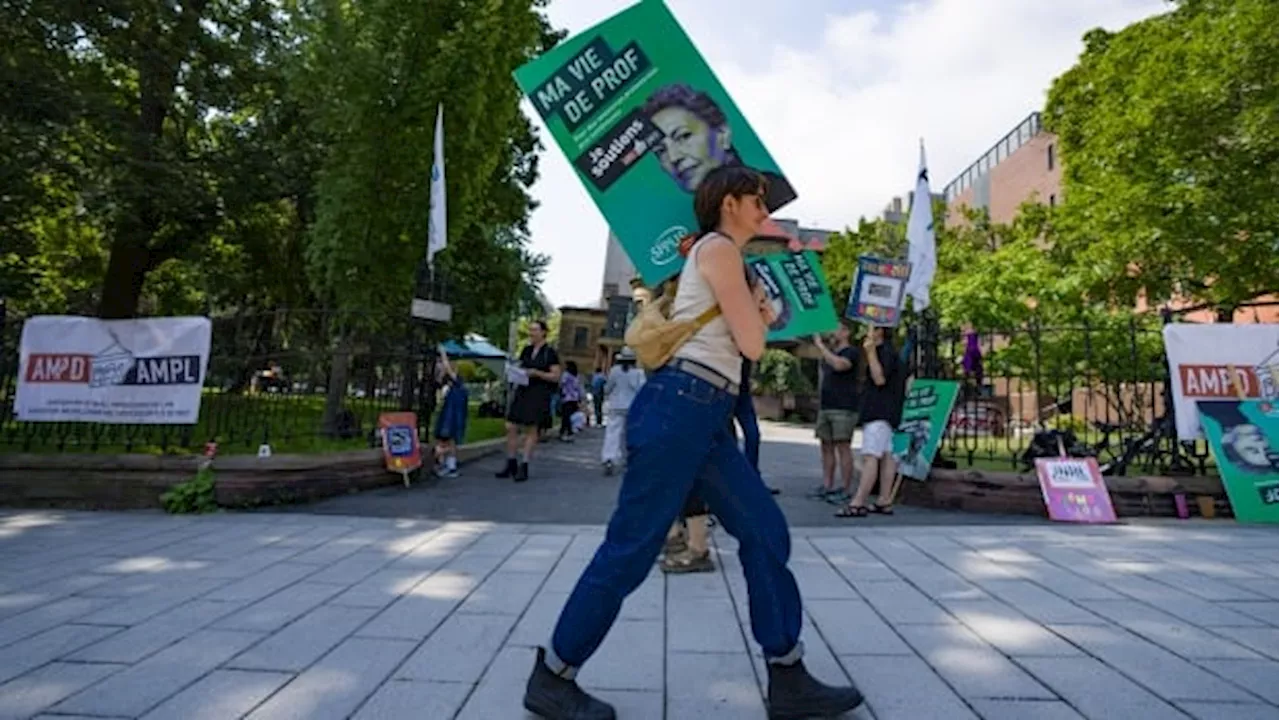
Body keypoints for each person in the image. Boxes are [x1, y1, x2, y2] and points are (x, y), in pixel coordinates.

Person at [522, 166, 863, 720]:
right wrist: (762, 311)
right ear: (730, 202)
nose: (765, 210)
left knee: (764, 531)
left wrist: (758, 307)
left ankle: (788, 673)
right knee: (632, 549)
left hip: (704, 414)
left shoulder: (722, 257)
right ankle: (554, 675)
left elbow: (745, 337)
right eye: (757, 199)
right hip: (682, 405)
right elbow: (753, 345)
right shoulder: (720, 250)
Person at [641, 83, 796, 211]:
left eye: (684, 136)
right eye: (660, 151)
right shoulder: (704, 225)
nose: (674, 157)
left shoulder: (775, 193)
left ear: (722, 134)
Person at [840, 326, 907, 517]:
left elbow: (879, 378)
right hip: (890, 413)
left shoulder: (882, 353)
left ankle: (858, 501)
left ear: (879, 331)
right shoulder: (895, 354)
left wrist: (870, 352)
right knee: (887, 456)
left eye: (871, 328)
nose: (865, 331)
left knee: (871, 456)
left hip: (878, 412)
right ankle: (884, 499)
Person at [497, 320, 561, 482]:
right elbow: (521, 367)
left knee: (532, 429)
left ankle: (524, 464)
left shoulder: (549, 353)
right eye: (530, 330)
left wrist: (538, 373)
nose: (531, 333)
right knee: (511, 425)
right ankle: (511, 461)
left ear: (543, 333)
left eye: (535, 330)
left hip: (539, 393)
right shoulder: (526, 350)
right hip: (523, 390)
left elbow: (555, 376)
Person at [811, 324, 862, 505]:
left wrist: (822, 347)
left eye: (838, 328)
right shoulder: (828, 354)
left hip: (844, 406)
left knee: (843, 447)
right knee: (826, 446)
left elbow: (840, 365)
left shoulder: (851, 352)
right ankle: (827, 484)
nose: (833, 331)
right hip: (827, 405)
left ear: (847, 332)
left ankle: (846, 488)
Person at [601, 348, 645, 475]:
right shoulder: (638, 373)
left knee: (612, 433)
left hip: (616, 406)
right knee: (629, 434)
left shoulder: (615, 371)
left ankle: (609, 458)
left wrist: (607, 393)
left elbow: (608, 388)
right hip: (632, 406)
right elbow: (641, 389)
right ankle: (628, 458)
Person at [432, 346, 468, 478]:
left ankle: (443, 461)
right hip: (452, 415)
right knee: (449, 440)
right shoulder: (458, 388)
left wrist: (442, 353)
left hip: (451, 415)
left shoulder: (458, 385)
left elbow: (447, 367)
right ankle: (448, 464)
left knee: (446, 439)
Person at [559, 361, 583, 442]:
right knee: (569, 415)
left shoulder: (566, 375)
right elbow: (578, 387)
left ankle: (567, 431)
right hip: (574, 398)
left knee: (565, 416)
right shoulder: (576, 376)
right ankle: (564, 431)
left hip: (566, 397)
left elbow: (562, 384)